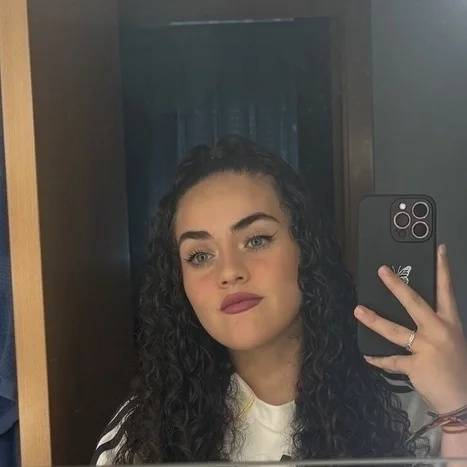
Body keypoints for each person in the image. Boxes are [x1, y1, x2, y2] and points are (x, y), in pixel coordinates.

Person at [92, 135, 467, 465]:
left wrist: (458, 406)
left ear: (306, 249)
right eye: (200, 256)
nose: (229, 272)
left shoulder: (413, 407)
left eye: (256, 240)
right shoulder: (142, 436)